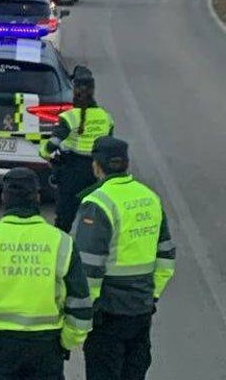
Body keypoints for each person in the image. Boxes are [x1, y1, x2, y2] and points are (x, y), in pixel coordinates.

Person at [0, 168, 92, 379]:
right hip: (47, 347)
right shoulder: (62, 242)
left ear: (3, 197)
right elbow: (81, 304)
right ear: (37, 197)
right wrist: (67, 342)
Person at [72, 137, 175, 380]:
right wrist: (152, 294)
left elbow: (89, 266)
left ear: (97, 165)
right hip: (141, 309)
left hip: (108, 312)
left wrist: (84, 312)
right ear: (126, 164)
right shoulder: (149, 197)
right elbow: (166, 255)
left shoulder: (99, 203)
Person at [39, 66, 115, 231]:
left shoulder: (69, 117)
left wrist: (45, 154)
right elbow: (110, 145)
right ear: (93, 91)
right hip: (98, 172)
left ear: (74, 91)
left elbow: (52, 145)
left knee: (64, 218)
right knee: (95, 215)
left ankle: (63, 248)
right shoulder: (106, 117)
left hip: (72, 173)